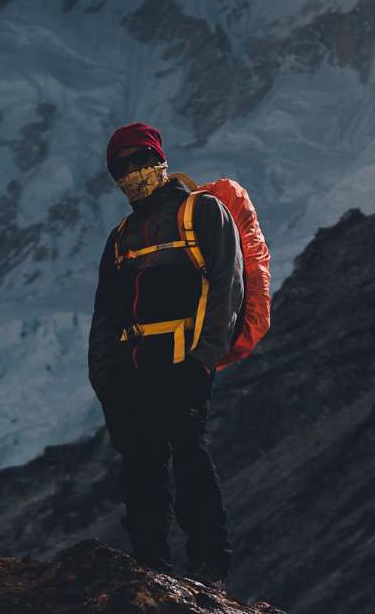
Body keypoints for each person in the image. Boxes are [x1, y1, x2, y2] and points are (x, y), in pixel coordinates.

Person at [88, 122, 244, 588]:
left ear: (159, 158)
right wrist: (104, 377)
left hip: (185, 361)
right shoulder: (120, 238)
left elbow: (227, 287)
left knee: (188, 454)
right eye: (122, 166)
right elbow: (105, 313)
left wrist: (204, 358)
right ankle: (150, 565)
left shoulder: (203, 213)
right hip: (132, 369)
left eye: (140, 160)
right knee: (140, 464)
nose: (133, 172)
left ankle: (209, 562)